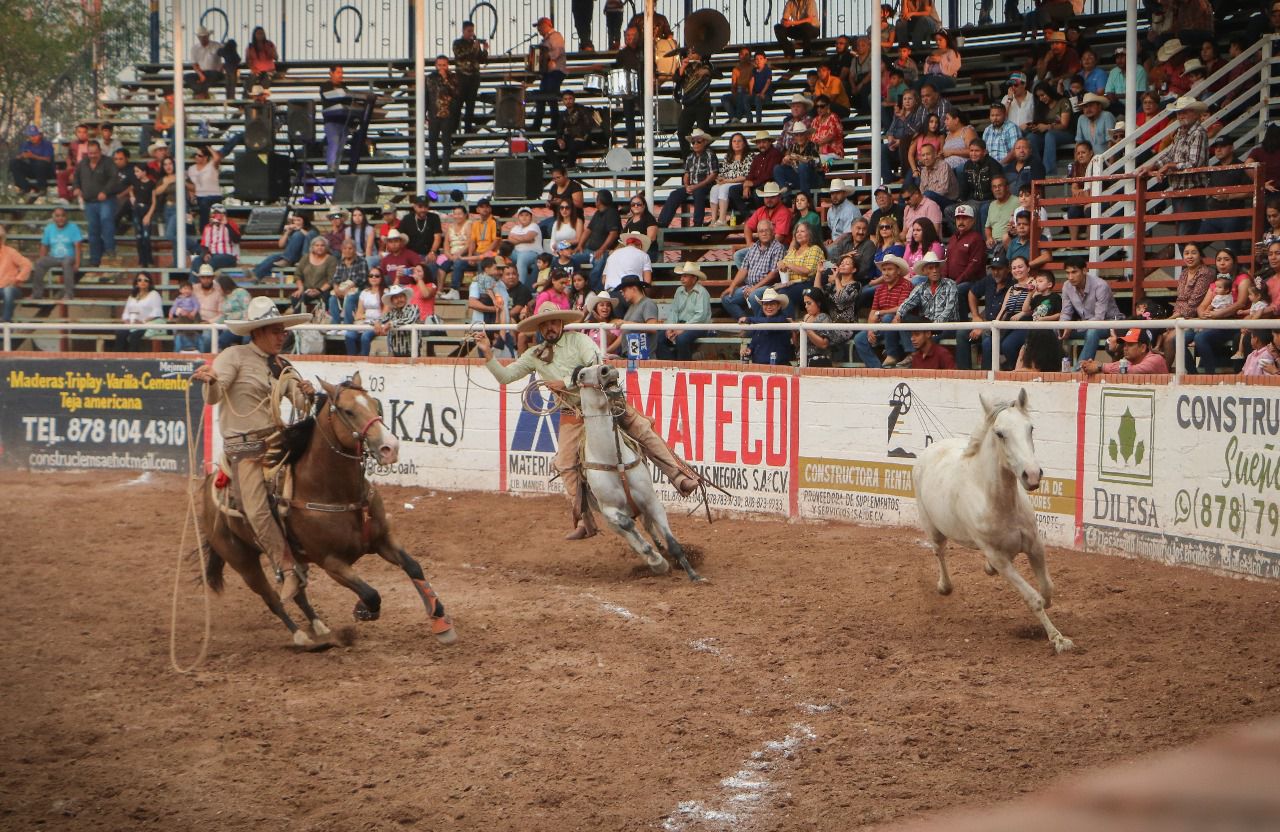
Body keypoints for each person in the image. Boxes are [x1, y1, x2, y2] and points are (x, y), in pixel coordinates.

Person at [473, 303, 704, 539]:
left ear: (561, 323)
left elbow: (597, 365)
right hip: (572, 413)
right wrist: (488, 354)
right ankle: (585, 520)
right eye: (545, 324)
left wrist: (565, 381)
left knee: (642, 429)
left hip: (603, 404)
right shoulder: (535, 354)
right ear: (540, 328)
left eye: (553, 322)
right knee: (564, 463)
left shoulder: (578, 341)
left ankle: (680, 476)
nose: (550, 328)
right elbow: (505, 377)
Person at [193, 297, 314, 594]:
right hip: (244, 448)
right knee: (256, 507)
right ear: (257, 332)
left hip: (277, 441)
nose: (281, 336)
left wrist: (308, 394)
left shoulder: (283, 366)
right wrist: (209, 380)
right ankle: (286, 567)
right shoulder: (234, 356)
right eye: (275, 331)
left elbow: (300, 403)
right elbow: (215, 394)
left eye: (283, 331)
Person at [1059, 254, 1121, 366]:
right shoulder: (1066, 286)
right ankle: (1054, 368)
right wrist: (1064, 325)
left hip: (1108, 325)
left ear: (1084, 270)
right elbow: (1066, 312)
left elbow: (1099, 318)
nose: (1070, 277)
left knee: (1092, 331)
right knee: (1053, 329)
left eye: (1074, 272)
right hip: (1084, 326)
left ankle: (1080, 370)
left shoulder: (1101, 285)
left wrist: (1074, 325)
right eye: (1067, 273)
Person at [853, 254, 914, 368]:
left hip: (899, 323)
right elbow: (873, 311)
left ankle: (892, 354)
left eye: (890, 269)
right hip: (882, 325)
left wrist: (880, 313)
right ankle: (877, 370)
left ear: (898, 271)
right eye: (884, 270)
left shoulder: (906, 285)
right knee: (859, 339)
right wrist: (870, 328)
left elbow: (901, 307)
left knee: (888, 317)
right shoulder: (880, 288)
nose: (886, 273)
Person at [722, 219, 785, 320]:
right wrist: (732, 286)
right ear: (758, 234)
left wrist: (754, 288)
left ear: (772, 232)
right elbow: (743, 269)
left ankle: (759, 325)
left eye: (766, 230)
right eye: (761, 231)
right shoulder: (753, 247)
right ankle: (746, 322)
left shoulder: (778, 248)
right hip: (751, 286)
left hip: (769, 287)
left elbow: (773, 274)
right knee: (727, 299)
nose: (764, 233)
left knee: (753, 296)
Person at [658, 129, 718, 230]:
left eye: (698, 141)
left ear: (705, 142)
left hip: (706, 186)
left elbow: (713, 174)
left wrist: (696, 186)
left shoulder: (710, 155)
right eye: (693, 142)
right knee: (674, 194)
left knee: (699, 192)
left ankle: (697, 223)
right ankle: (662, 223)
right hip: (692, 185)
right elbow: (686, 174)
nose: (695, 144)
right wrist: (687, 186)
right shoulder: (690, 157)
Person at [71, 141, 115, 267]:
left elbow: (114, 178)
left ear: (100, 151)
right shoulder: (82, 163)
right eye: (90, 153)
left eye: (95, 153)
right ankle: (95, 258)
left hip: (105, 200)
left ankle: (109, 248)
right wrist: (76, 188)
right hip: (89, 201)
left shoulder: (108, 162)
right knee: (93, 230)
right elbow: (76, 178)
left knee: (106, 220)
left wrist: (105, 191)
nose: (93, 155)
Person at [657, 263, 712, 361]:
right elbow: (674, 311)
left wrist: (683, 328)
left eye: (685, 276)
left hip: (699, 326)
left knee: (682, 339)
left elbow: (700, 316)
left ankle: (684, 366)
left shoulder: (702, 292)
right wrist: (670, 327)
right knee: (659, 337)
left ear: (694, 278)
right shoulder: (679, 291)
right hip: (681, 324)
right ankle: (671, 364)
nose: (682, 278)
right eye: (682, 276)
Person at [29, 207, 82, 300]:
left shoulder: (73, 227)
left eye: (63, 216)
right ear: (54, 218)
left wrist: (77, 263)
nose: (60, 218)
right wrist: (42, 259)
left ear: (66, 217)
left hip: (69, 257)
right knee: (39, 262)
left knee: (66, 263)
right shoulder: (49, 228)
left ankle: (69, 294)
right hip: (54, 257)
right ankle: (37, 294)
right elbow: (44, 246)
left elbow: (78, 246)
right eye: (57, 216)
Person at [735, 132, 785, 220]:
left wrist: (752, 184)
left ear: (769, 142)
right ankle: (748, 217)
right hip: (756, 183)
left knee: (757, 193)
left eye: (764, 142)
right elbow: (751, 173)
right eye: (759, 142)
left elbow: (769, 175)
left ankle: (762, 218)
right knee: (733, 190)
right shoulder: (757, 157)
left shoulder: (775, 154)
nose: (761, 145)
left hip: (769, 183)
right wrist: (746, 185)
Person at [708, 133, 754, 227]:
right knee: (714, 189)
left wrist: (727, 181)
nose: (736, 143)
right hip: (727, 182)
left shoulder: (749, 156)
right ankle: (713, 219)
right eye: (734, 141)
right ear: (731, 144)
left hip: (740, 183)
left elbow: (746, 175)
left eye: (739, 141)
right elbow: (723, 173)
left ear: (744, 143)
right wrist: (720, 179)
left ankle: (722, 219)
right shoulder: (728, 157)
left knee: (724, 188)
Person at [1028, 82, 1074, 173]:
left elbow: (1064, 125)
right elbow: (1040, 123)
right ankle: (1037, 170)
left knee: (1050, 135)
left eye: (1043, 95)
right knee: (1030, 138)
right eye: (1039, 97)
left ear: (1049, 92)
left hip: (1066, 133)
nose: (1041, 98)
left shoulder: (1063, 101)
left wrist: (1047, 127)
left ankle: (1048, 172)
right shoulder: (1040, 106)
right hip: (1046, 134)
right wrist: (1035, 127)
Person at [740, 287, 794, 365]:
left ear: (779, 306)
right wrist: (749, 350)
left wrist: (749, 319)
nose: (769, 307)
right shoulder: (759, 321)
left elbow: (770, 322)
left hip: (778, 367)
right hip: (758, 366)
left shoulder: (783, 319)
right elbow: (754, 343)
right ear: (762, 306)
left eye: (772, 304)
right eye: (766, 304)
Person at [1082, 328, 1169, 376]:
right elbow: (1115, 366)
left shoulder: (1156, 359)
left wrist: (1100, 366)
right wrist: (1090, 366)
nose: (1125, 348)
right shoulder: (1129, 361)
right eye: (1125, 344)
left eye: (1130, 345)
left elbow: (1132, 370)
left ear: (1143, 348)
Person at [425, 56, 460, 175]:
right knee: (432, 141)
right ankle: (434, 168)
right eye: (439, 65)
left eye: (444, 65)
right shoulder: (430, 78)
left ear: (448, 65)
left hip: (448, 114)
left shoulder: (453, 77)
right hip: (434, 113)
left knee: (446, 142)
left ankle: (445, 168)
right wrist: (425, 113)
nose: (442, 68)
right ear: (436, 65)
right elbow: (426, 96)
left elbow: (456, 93)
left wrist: (445, 79)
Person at [531, 18, 566, 133]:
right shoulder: (545, 40)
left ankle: (554, 124)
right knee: (542, 97)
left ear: (547, 25)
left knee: (551, 97)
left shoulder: (555, 36)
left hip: (555, 71)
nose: (538, 29)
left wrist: (543, 58)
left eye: (540, 26)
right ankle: (538, 124)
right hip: (548, 73)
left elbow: (557, 52)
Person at [544, 90, 596, 169]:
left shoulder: (582, 110)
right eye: (565, 99)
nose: (568, 101)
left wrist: (583, 137)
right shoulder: (563, 114)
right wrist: (559, 139)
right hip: (568, 140)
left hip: (582, 141)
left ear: (574, 99)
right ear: (563, 101)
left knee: (573, 144)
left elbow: (589, 125)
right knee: (546, 144)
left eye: (570, 98)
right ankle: (557, 165)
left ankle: (570, 166)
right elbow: (559, 130)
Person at [959, 139, 1005, 228]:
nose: (973, 154)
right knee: (949, 210)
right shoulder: (968, 165)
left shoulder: (993, 165)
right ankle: (963, 239)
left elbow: (998, 186)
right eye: (971, 151)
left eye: (977, 151)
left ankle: (982, 240)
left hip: (990, 200)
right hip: (973, 200)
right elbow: (964, 187)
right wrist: (961, 201)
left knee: (979, 209)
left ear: (984, 152)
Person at [675, 49, 713, 153]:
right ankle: (687, 158)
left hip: (703, 103)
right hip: (689, 104)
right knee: (682, 130)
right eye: (689, 54)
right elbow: (677, 79)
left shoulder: (706, 65)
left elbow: (716, 73)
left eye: (693, 53)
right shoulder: (685, 68)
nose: (691, 55)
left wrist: (707, 71)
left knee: (702, 131)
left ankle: (704, 155)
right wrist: (683, 66)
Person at [452, 21, 487, 134]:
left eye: (472, 31)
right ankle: (453, 129)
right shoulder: (457, 43)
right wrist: (474, 48)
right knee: (458, 104)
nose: (471, 33)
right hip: (462, 77)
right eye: (469, 31)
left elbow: (482, 60)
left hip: (474, 77)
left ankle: (468, 128)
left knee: (471, 104)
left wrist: (484, 49)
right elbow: (461, 56)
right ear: (463, 31)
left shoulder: (474, 43)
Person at [398, 194, 443, 280]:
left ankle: (430, 288)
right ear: (414, 207)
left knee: (432, 265)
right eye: (420, 207)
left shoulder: (434, 218)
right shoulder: (407, 219)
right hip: (411, 254)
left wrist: (432, 252)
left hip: (429, 253)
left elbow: (437, 237)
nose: (423, 209)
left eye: (425, 207)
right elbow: (401, 239)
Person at [319, 65, 354, 173]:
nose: (341, 75)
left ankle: (336, 168)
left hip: (343, 122)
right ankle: (331, 167)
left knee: (340, 147)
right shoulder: (325, 86)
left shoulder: (344, 87)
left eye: (342, 73)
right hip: (331, 121)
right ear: (331, 73)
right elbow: (329, 100)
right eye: (338, 72)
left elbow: (349, 101)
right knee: (333, 142)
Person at [190, 204, 241, 278]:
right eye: (214, 213)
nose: (216, 216)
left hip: (229, 256)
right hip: (213, 255)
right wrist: (205, 254)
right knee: (197, 260)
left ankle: (203, 277)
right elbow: (204, 245)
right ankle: (197, 284)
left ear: (224, 214)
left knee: (214, 260)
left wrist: (226, 224)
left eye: (219, 213)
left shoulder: (231, 224)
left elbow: (237, 240)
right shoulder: (208, 227)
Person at [328, 237, 370, 325]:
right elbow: (335, 278)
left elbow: (362, 278)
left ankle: (348, 325)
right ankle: (336, 326)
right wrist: (336, 289)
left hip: (358, 289)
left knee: (350, 298)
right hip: (343, 288)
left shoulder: (362, 261)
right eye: (345, 248)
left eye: (350, 248)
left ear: (355, 249)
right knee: (332, 299)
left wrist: (347, 289)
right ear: (342, 250)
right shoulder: (340, 262)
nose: (347, 250)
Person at [613, 26, 643, 147]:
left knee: (645, 114)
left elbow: (652, 65)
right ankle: (631, 143)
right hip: (628, 88)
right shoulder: (622, 53)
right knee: (629, 117)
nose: (629, 38)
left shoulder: (644, 50)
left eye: (631, 35)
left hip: (642, 87)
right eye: (627, 36)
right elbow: (616, 68)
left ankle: (651, 139)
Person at [797, 286, 842, 366]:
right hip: (802, 359)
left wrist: (806, 329)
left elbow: (824, 344)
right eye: (805, 303)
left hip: (818, 361)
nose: (806, 306)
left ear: (818, 303)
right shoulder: (806, 317)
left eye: (809, 303)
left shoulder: (824, 318)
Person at [773, 122, 820, 198]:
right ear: (794, 137)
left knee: (803, 166)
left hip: (811, 178)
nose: (799, 137)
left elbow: (816, 162)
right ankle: (785, 191)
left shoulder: (813, 145)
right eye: (797, 135)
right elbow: (788, 163)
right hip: (797, 177)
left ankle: (804, 196)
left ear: (806, 135)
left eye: (801, 135)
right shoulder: (793, 147)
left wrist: (798, 158)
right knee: (777, 168)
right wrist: (785, 161)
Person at [9, 124, 55, 200]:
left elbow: (48, 159)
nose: (32, 138)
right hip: (32, 169)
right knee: (14, 163)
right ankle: (24, 187)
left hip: (45, 171)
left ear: (39, 135)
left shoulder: (46, 144)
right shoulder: (26, 144)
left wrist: (34, 156)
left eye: (34, 135)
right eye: (30, 136)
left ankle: (42, 188)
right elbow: (19, 156)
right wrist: (22, 156)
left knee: (40, 164)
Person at [293, 236, 337, 314]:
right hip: (307, 289)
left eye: (322, 245)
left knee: (326, 298)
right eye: (317, 245)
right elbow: (297, 275)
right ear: (312, 247)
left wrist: (319, 290)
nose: (319, 247)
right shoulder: (305, 258)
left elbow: (331, 279)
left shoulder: (331, 260)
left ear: (326, 247)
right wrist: (301, 289)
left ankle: (322, 321)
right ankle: (299, 321)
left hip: (324, 290)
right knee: (296, 297)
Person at [601, 231, 653, 296]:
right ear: (640, 245)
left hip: (611, 294)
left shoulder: (612, 255)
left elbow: (603, 280)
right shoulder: (644, 255)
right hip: (631, 293)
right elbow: (647, 281)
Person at [0, 225, 33, 323]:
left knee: (8, 291)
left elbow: (27, 264)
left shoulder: (10, 252)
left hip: (11, 287)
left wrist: (18, 279)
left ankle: (5, 321)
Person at [508, 206, 544, 290]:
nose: (524, 217)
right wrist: (525, 239)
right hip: (516, 252)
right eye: (521, 215)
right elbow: (510, 241)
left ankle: (520, 288)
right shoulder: (515, 228)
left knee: (522, 258)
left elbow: (528, 237)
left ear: (531, 217)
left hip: (533, 253)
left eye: (527, 215)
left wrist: (515, 236)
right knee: (502, 254)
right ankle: (504, 285)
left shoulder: (534, 226)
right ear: (518, 217)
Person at [191, 265, 225, 352]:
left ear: (212, 278)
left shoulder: (219, 291)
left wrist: (209, 322)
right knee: (180, 333)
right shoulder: (193, 289)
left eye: (208, 277)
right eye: (203, 277)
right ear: (199, 278)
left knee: (206, 337)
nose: (206, 280)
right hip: (194, 320)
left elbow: (222, 314)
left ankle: (203, 359)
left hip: (211, 323)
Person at [214, 273, 252, 351]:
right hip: (232, 327)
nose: (217, 289)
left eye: (218, 287)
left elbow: (247, 309)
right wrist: (213, 323)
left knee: (246, 340)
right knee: (222, 340)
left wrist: (243, 322)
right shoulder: (225, 298)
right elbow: (224, 316)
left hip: (245, 326)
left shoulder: (241, 292)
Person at [916, 143, 959, 209]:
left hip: (948, 201)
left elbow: (943, 190)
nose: (925, 158)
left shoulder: (943, 165)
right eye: (923, 155)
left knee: (928, 194)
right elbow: (922, 191)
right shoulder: (924, 170)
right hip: (929, 200)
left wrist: (924, 198)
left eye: (928, 154)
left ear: (935, 154)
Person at [823, 178, 858, 259]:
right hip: (837, 242)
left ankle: (829, 270)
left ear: (845, 194)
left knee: (828, 251)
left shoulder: (850, 209)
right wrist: (831, 240)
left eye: (837, 193)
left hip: (849, 244)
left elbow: (847, 234)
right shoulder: (830, 210)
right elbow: (833, 230)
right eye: (832, 193)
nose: (834, 196)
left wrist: (833, 244)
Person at [189, 25, 225, 98]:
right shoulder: (194, 48)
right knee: (187, 77)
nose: (202, 38)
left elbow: (225, 59)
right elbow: (194, 64)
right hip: (202, 73)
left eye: (204, 36)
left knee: (211, 75)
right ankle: (201, 91)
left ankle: (200, 92)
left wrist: (221, 69)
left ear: (208, 36)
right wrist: (200, 74)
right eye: (200, 37)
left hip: (214, 72)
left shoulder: (217, 46)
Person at [169, 277, 202, 352]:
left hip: (192, 317)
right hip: (182, 317)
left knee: (195, 331)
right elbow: (174, 307)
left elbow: (197, 306)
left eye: (188, 289)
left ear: (191, 290)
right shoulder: (178, 299)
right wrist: (171, 313)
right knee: (178, 332)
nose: (186, 290)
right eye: (184, 288)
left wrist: (193, 312)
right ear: (180, 290)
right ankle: (177, 353)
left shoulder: (193, 298)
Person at [722, 48, 755, 123]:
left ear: (750, 56)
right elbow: (734, 84)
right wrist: (734, 93)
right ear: (739, 56)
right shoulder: (736, 69)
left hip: (748, 92)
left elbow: (752, 82)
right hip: (738, 92)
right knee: (724, 98)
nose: (744, 56)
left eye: (746, 54)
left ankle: (737, 117)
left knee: (742, 95)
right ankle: (733, 117)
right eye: (742, 54)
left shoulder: (753, 68)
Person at [749, 52, 774, 124]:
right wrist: (750, 93)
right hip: (756, 94)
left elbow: (768, 82)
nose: (759, 60)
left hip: (766, 95)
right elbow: (752, 81)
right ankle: (749, 119)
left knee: (758, 99)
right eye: (756, 59)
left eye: (761, 59)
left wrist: (762, 93)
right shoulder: (754, 70)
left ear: (765, 60)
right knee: (745, 99)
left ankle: (758, 120)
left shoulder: (767, 70)